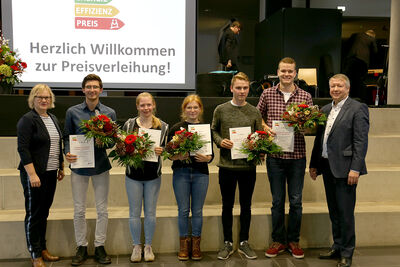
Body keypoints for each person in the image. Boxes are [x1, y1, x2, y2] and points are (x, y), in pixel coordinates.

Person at [309, 74, 369, 267]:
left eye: (340, 86)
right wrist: (314, 164)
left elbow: (360, 141)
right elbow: (320, 141)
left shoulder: (358, 108)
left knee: (345, 213)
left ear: (348, 88)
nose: (335, 89)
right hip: (327, 167)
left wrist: (355, 169)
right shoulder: (326, 109)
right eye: (333, 86)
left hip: (346, 169)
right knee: (334, 211)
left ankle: (347, 252)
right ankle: (337, 246)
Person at [257, 57, 313, 259]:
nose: (287, 74)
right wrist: (267, 129)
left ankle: (294, 241)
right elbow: (258, 117)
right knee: (278, 201)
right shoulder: (267, 93)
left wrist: (304, 126)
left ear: (295, 73)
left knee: (296, 201)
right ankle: (278, 240)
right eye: (283, 71)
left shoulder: (305, 96)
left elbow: (311, 125)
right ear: (278, 72)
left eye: (290, 71)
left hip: (297, 155)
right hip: (275, 156)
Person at [64, 74, 116, 265]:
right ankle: (81, 247)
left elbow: (112, 141)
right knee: (79, 210)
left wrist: (103, 138)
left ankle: (100, 246)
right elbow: (67, 138)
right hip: (79, 167)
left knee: (102, 209)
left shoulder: (109, 113)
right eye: (88, 87)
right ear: (83, 89)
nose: (92, 90)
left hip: (101, 166)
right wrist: (68, 152)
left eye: (95, 87)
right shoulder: (73, 112)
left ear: (101, 90)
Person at [211, 72, 262, 260]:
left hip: (248, 167)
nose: (242, 91)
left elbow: (259, 136)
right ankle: (227, 243)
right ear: (231, 88)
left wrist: (257, 146)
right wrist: (220, 141)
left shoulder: (254, 111)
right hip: (227, 166)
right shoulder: (221, 109)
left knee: (246, 206)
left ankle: (243, 242)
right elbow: (213, 130)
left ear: (249, 89)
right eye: (238, 88)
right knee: (227, 205)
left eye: (245, 88)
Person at [17, 84, 64, 267]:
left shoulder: (51, 118)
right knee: (34, 214)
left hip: (51, 172)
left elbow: (56, 144)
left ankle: (42, 248)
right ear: (33, 100)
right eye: (40, 97)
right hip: (34, 175)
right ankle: (34, 253)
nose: (44, 100)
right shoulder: (27, 120)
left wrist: (60, 166)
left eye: (47, 97)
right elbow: (23, 149)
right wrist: (32, 174)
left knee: (44, 212)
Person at [123, 92, 168, 263]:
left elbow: (166, 149)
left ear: (154, 105)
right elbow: (122, 147)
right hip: (133, 176)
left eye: (149, 105)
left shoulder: (163, 126)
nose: (146, 108)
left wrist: (162, 151)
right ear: (137, 106)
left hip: (153, 176)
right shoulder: (129, 124)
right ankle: (136, 246)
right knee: (134, 213)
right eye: (142, 105)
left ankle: (148, 246)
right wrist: (128, 149)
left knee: (150, 212)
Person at [168, 94, 213, 261]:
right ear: (184, 109)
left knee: (198, 211)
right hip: (181, 173)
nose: (192, 110)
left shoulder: (206, 128)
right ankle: (184, 245)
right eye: (189, 107)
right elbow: (169, 155)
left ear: (200, 109)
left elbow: (211, 155)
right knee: (183, 210)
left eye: (195, 107)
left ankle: (195, 245)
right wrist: (178, 156)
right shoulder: (176, 129)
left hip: (201, 174)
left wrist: (208, 159)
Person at [343, 29, 378, 102]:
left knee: (347, 79)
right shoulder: (371, 38)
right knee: (360, 81)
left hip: (351, 59)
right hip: (362, 61)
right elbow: (375, 51)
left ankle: (345, 97)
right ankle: (361, 99)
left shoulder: (356, 35)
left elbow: (347, 44)